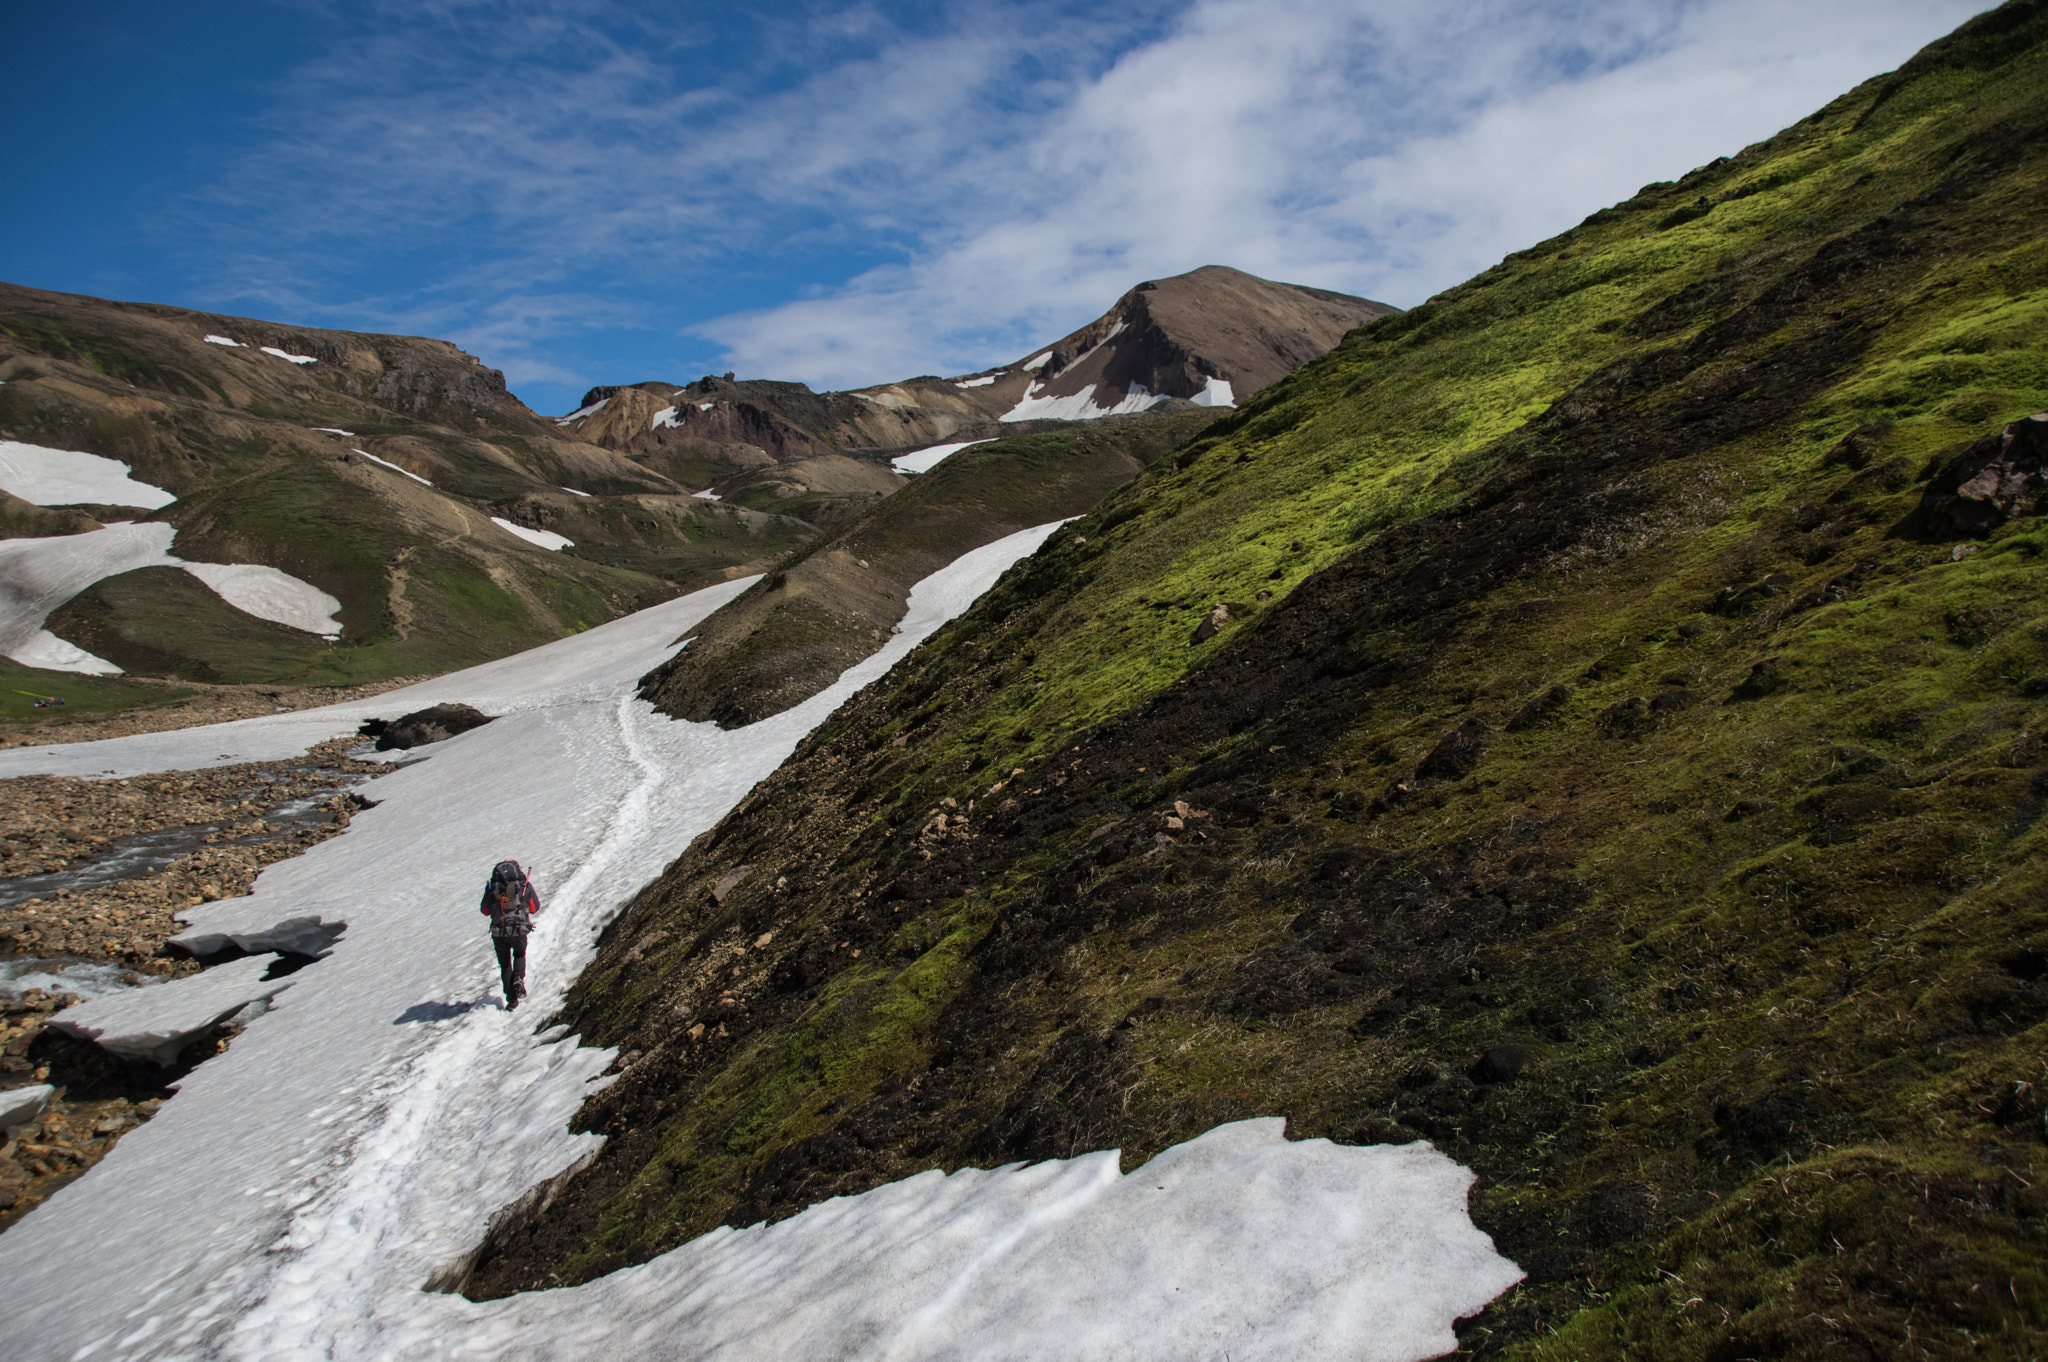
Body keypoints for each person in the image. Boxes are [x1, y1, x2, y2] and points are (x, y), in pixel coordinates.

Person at [480, 859, 540, 1008]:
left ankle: (512, 1000)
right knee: (519, 954)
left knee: (505, 964)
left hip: (499, 931)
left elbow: (484, 911)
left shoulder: (492, 887)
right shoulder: (523, 886)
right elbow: (534, 908)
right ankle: (518, 978)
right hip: (518, 929)